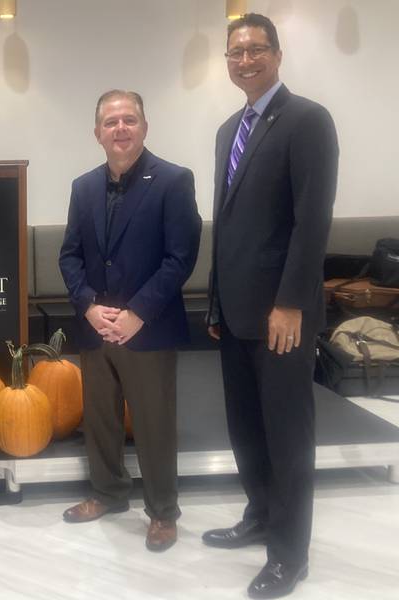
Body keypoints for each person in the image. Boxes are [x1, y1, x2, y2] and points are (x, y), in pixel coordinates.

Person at [203, 14, 338, 598]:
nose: (245, 59)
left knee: (287, 434)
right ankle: (259, 513)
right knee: (247, 428)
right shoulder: (229, 128)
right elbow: (228, 226)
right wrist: (213, 302)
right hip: (235, 312)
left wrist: (290, 303)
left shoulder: (307, 121)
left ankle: (289, 553)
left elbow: (312, 223)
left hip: (282, 315)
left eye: (256, 49)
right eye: (235, 52)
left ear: (277, 55)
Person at [58, 90, 201, 551]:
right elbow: (70, 256)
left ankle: (162, 512)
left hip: (149, 327)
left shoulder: (174, 181)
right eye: (111, 121)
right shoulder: (83, 187)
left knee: (154, 422)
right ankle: (108, 492)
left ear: (144, 126)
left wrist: (138, 313)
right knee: (100, 418)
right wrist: (88, 306)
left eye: (129, 120)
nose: (120, 128)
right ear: (96, 132)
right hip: (96, 326)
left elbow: (180, 258)